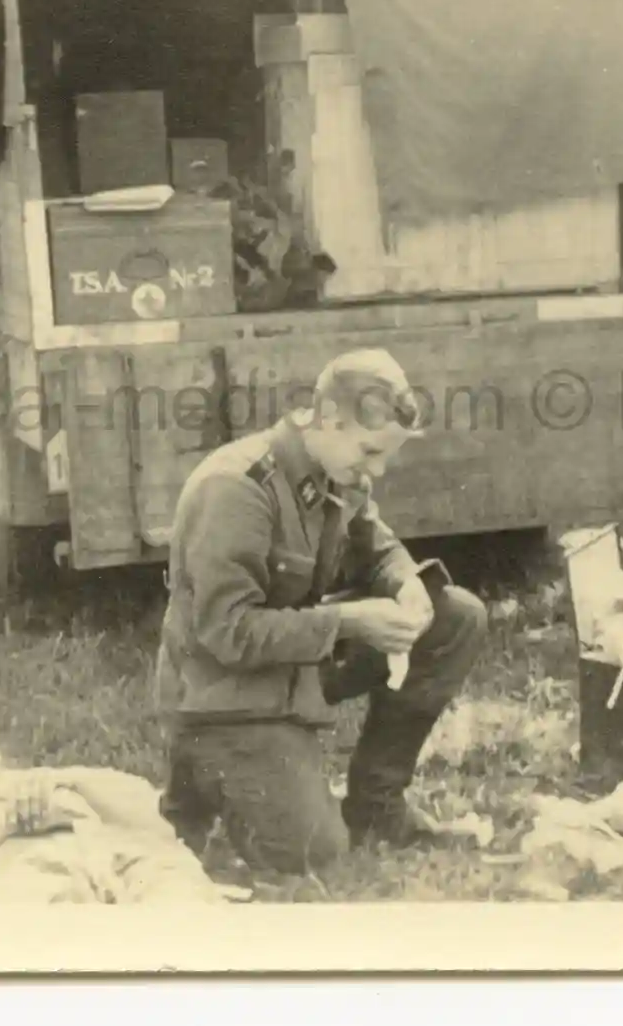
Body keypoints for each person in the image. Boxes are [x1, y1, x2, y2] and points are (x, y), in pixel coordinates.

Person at [152, 348, 489, 874]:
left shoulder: (338, 470)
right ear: (330, 417)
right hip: (221, 699)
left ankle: (376, 805)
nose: (376, 469)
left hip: (290, 670)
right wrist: (349, 623)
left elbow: (374, 546)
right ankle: (202, 780)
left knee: (456, 617)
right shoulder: (237, 488)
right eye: (370, 451)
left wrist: (406, 585)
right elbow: (228, 633)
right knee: (315, 853)